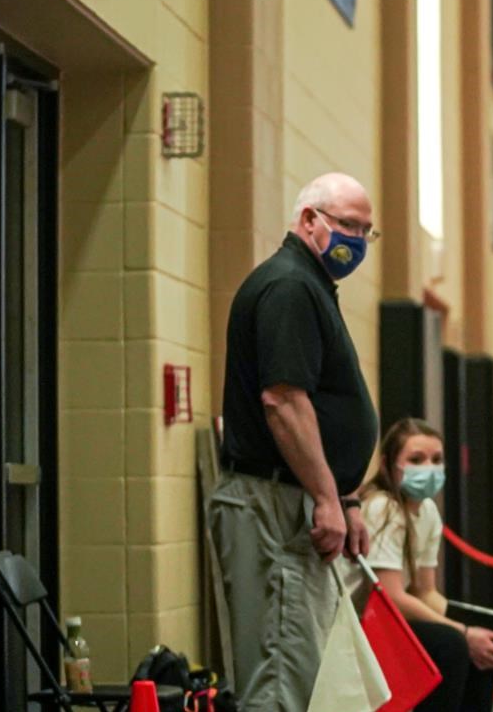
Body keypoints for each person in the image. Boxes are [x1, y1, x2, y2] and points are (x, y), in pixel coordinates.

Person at [209, 173, 378, 712]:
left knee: (303, 671)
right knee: (281, 680)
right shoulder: (289, 286)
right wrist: (327, 497)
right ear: (310, 220)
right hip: (274, 506)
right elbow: (284, 401)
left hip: (293, 500)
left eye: (367, 232)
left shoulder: (311, 287)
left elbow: (320, 409)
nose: (358, 241)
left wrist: (343, 497)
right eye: (350, 225)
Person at [356, 419, 493, 712]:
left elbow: (426, 592)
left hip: (389, 618)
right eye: (416, 459)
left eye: (436, 460)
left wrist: (473, 629)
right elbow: (390, 598)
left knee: (485, 633)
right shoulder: (382, 507)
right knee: (451, 643)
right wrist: (462, 633)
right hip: (364, 621)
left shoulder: (427, 511)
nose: (429, 467)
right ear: (388, 465)